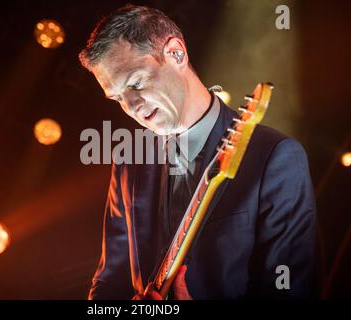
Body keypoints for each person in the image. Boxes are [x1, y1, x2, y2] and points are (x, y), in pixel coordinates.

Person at [79, 4, 316, 300]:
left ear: (176, 53)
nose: (132, 107)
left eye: (136, 83)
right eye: (118, 98)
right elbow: (109, 284)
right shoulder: (129, 160)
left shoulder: (276, 156)